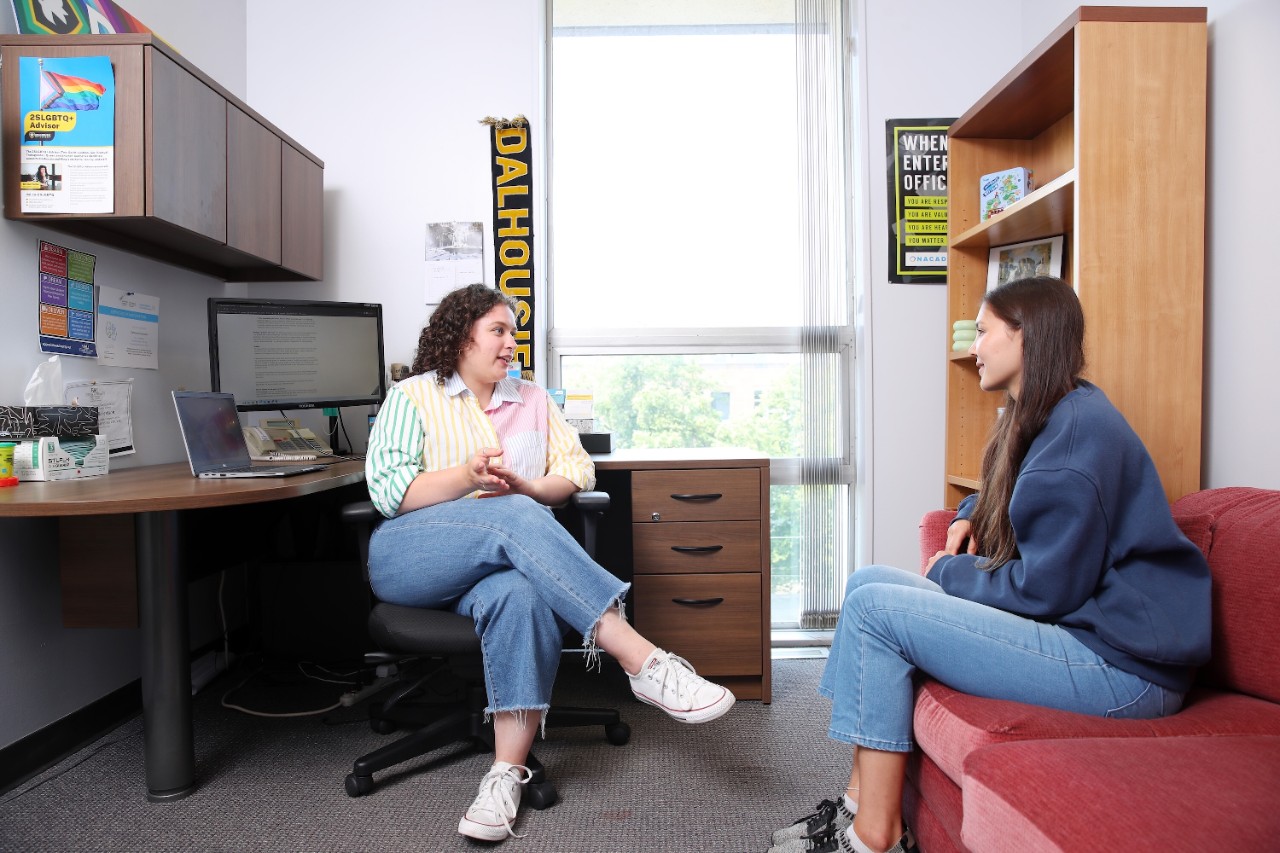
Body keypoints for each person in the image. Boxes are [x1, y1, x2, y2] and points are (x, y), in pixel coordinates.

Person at [768, 276, 1210, 853]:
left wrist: (946, 571)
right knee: (866, 582)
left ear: (1026, 336)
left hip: (1124, 672)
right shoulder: (1052, 410)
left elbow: (1041, 594)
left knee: (877, 609)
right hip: (1093, 638)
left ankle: (873, 838)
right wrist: (969, 512)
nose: (972, 347)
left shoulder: (1076, 442)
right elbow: (1018, 482)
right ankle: (857, 804)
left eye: (982, 332)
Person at [364, 283, 735, 843]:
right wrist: (469, 478)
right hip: (413, 556)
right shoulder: (413, 397)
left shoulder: (531, 399)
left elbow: (576, 471)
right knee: (509, 512)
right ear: (461, 334)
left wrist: (530, 487)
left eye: (513, 332)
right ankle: (640, 659)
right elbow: (390, 492)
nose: (511, 343)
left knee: (521, 591)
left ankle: (504, 774)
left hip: (496, 566)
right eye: (498, 330)